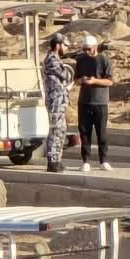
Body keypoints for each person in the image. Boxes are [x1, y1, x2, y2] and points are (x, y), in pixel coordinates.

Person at [73, 32, 113, 173]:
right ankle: (86, 161)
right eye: (85, 49)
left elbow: (109, 81)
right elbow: (76, 80)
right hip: (84, 101)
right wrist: (82, 81)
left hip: (100, 102)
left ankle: (104, 160)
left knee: (101, 133)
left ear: (95, 47)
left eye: (89, 49)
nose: (87, 51)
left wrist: (95, 81)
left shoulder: (104, 60)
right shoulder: (81, 60)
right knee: (84, 133)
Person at [41, 34, 73, 174]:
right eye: (65, 45)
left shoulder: (57, 59)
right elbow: (65, 75)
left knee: (61, 131)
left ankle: (57, 160)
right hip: (55, 102)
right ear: (58, 45)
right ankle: (52, 161)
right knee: (55, 131)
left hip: (59, 102)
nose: (66, 48)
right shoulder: (52, 59)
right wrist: (68, 69)